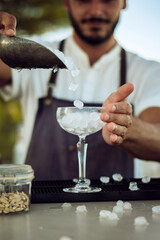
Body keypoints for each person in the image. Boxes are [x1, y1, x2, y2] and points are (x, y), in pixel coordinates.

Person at [0, 0, 160, 181]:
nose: (96, 10)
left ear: (123, 3)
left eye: (107, 0)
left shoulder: (148, 72)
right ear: (67, 3)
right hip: (40, 207)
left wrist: (126, 128)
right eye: (84, 0)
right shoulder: (32, 55)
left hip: (117, 206)